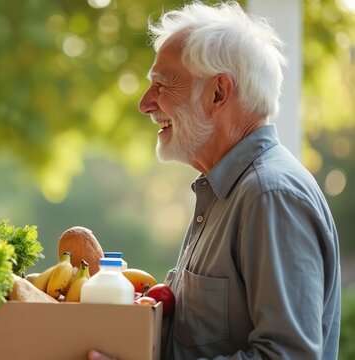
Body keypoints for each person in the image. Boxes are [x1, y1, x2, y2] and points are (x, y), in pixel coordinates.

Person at [89, 1, 340, 359]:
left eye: (161, 85)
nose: (145, 104)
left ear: (218, 92)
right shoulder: (228, 189)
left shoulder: (270, 195)